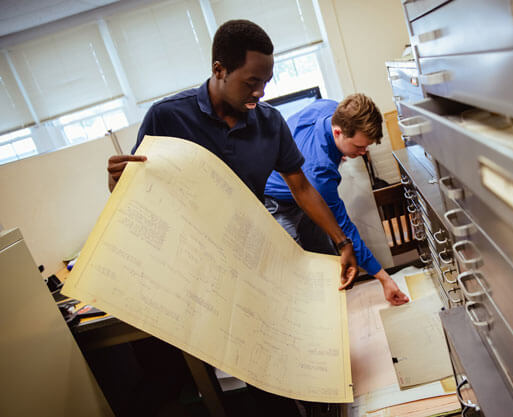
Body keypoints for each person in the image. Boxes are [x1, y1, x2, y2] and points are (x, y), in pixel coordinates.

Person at [106, 19, 358, 417]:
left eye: (266, 82)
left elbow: (302, 187)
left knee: (290, 344)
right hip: (199, 264)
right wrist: (116, 181)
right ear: (219, 70)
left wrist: (341, 243)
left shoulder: (270, 122)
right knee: (249, 368)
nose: (260, 92)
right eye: (251, 82)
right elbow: (139, 190)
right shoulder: (168, 117)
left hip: (254, 251)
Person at [264, 94, 409, 306]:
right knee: (296, 269)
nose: (362, 152)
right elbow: (345, 230)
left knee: (327, 259)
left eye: (366, 147)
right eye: (359, 147)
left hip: (301, 186)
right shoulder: (319, 170)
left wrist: (340, 150)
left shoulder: (332, 108)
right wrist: (384, 279)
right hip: (276, 200)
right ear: (338, 132)